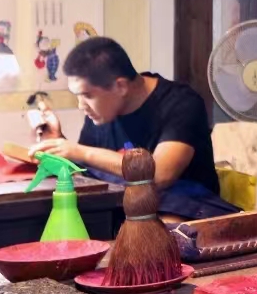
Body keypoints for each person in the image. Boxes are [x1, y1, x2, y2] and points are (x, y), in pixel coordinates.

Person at [32, 36, 232, 218]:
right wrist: (58, 142)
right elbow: (87, 171)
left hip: (187, 214)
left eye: (87, 95)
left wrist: (80, 152)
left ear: (120, 86)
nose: (81, 105)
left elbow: (159, 174)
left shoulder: (181, 103)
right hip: (125, 211)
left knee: (166, 227)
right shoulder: (101, 112)